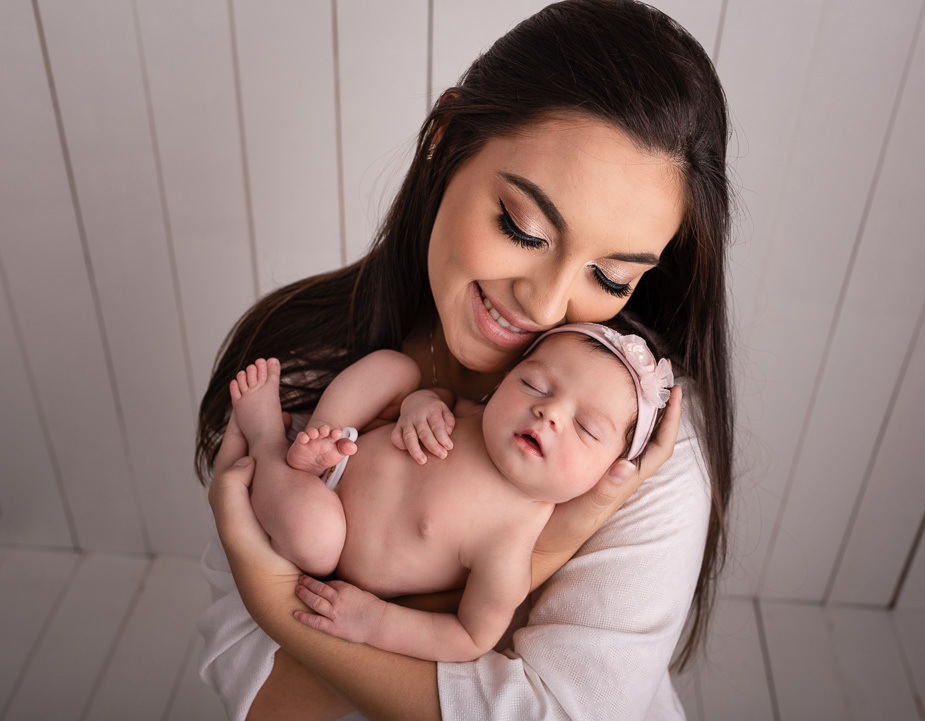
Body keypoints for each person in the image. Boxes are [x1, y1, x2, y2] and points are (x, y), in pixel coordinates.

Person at [197, 0, 735, 718]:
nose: (545, 308)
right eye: (522, 225)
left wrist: (275, 602)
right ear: (446, 141)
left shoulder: (639, 456)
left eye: (611, 277)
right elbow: (254, 680)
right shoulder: (311, 351)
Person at [225, 323, 674, 663]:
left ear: (607, 474)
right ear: (507, 379)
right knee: (397, 369)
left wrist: (374, 622)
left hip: (333, 531)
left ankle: (266, 437)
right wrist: (421, 403)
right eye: (533, 384)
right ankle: (320, 437)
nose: (550, 411)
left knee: (314, 538)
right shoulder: (477, 416)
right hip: (345, 447)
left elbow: (469, 637)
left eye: (585, 428)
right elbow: (431, 393)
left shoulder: (508, 545)